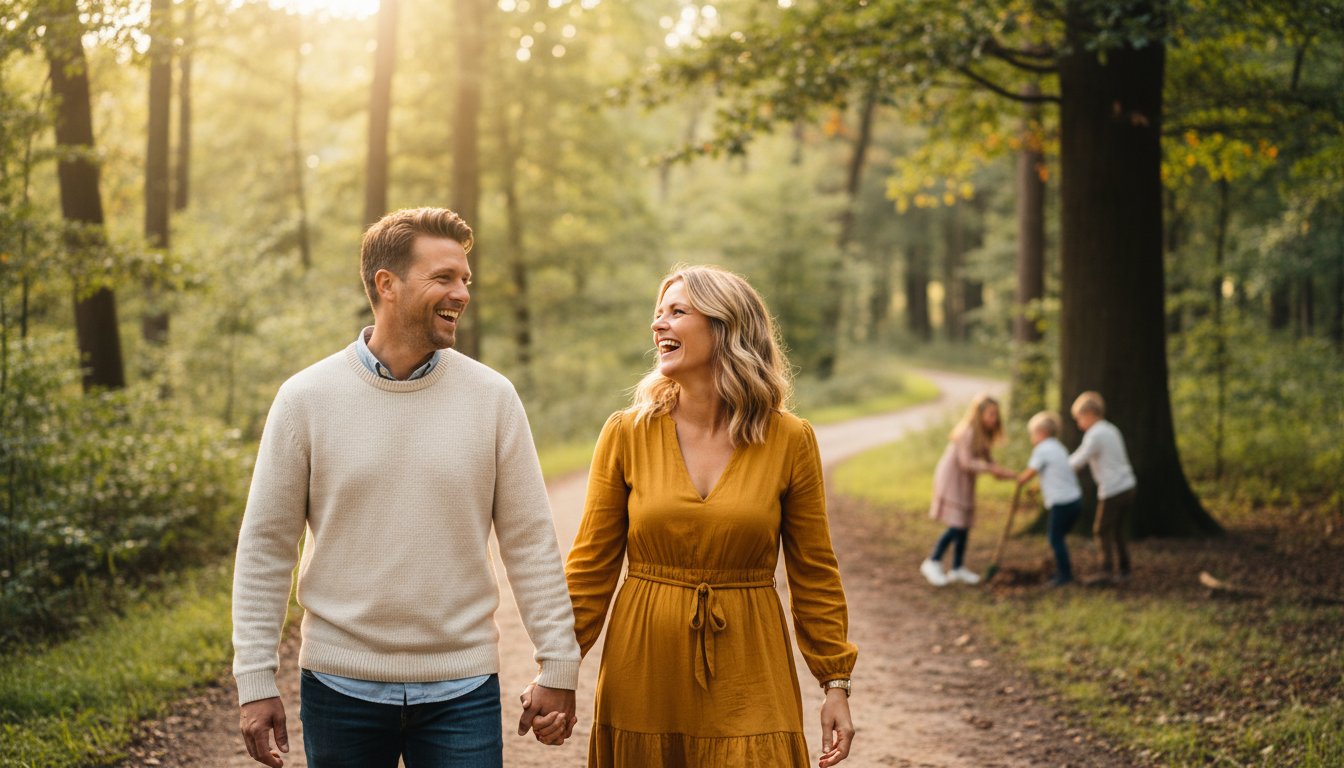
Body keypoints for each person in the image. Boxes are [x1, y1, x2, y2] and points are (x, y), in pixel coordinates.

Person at [231, 207, 581, 768]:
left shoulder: (493, 398)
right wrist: (255, 679)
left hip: (462, 690)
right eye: (444, 278)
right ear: (386, 285)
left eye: (465, 279)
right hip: (338, 686)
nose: (462, 293)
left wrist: (558, 665)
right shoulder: (305, 399)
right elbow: (266, 547)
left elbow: (531, 542)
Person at [553, 265, 858, 767]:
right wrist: (558, 671)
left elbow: (815, 573)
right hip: (644, 664)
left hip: (750, 662)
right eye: (657, 313)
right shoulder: (627, 433)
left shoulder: (789, 439)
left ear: (725, 328)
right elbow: (590, 567)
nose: (658, 325)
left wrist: (836, 682)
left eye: (677, 312)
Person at [920, 394, 1015, 587]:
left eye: (996, 415)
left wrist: (1007, 474)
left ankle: (957, 568)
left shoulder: (983, 434)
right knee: (956, 525)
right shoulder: (968, 432)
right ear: (979, 414)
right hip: (952, 478)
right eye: (990, 414)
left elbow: (989, 460)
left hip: (965, 482)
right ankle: (933, 561)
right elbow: (966, 463)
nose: (994, 419)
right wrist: (991, 469)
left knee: (964, 524)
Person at [1068, 391, 1137, 584]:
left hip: (1113, 489)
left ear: (1089, 413)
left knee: (1101, 530)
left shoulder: (1095, 434)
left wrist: (1059, 468)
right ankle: (1124, 569)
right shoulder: (1110, 429)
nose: (1078, 423)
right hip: (1128, 485)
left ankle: (1106, 570)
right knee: (1117, 530)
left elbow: (1079, 459)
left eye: (1079, 418)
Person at [1015, 411, 1084, 586]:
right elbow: (1055, 474)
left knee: (1055, 538)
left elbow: (1030, 473)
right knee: (1058, 537)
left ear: (1041, 432)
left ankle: (1064, 574)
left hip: (1062, 502)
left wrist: (1019, 479)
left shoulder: (1042, 449)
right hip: (1074, 499)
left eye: (1032, 434)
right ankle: (1061, 569)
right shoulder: (1058, 447)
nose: (1032, 438)